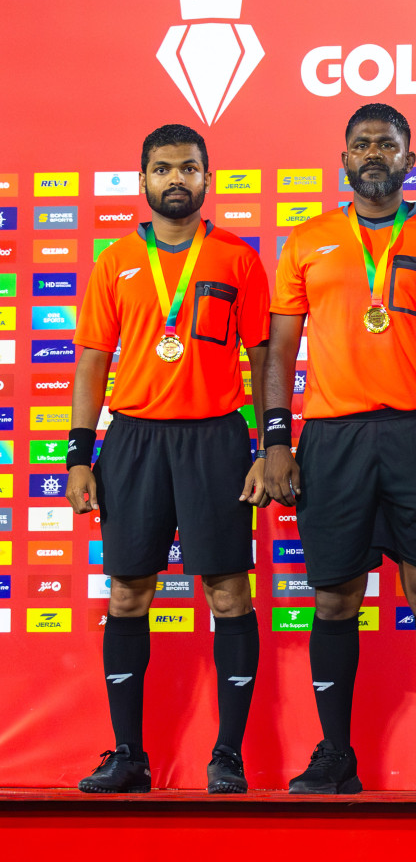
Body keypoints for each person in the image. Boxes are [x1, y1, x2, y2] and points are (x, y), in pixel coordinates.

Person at [262, 103, 416, 795]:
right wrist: (277, 440)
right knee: (332, 599)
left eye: (386, 146)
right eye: (361, 145)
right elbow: (278, 353)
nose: (373, 155)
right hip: (332, 437)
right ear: (343, 160)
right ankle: (335, 755)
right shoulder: (307, 240)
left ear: (408, 160)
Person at [68, 124, 270, 794]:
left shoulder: (238, 258)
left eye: (189, 167)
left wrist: (270, 446)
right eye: (162, 168)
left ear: (208, 178)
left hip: (215, 438)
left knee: (228, 591)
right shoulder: (116, 260)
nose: (176, 178)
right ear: (143, 180)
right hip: (133, 440)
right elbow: (93, 360)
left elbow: (265, 357)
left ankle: (228, 756)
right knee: (128, 592)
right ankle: (128, 754)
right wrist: (78, 454)